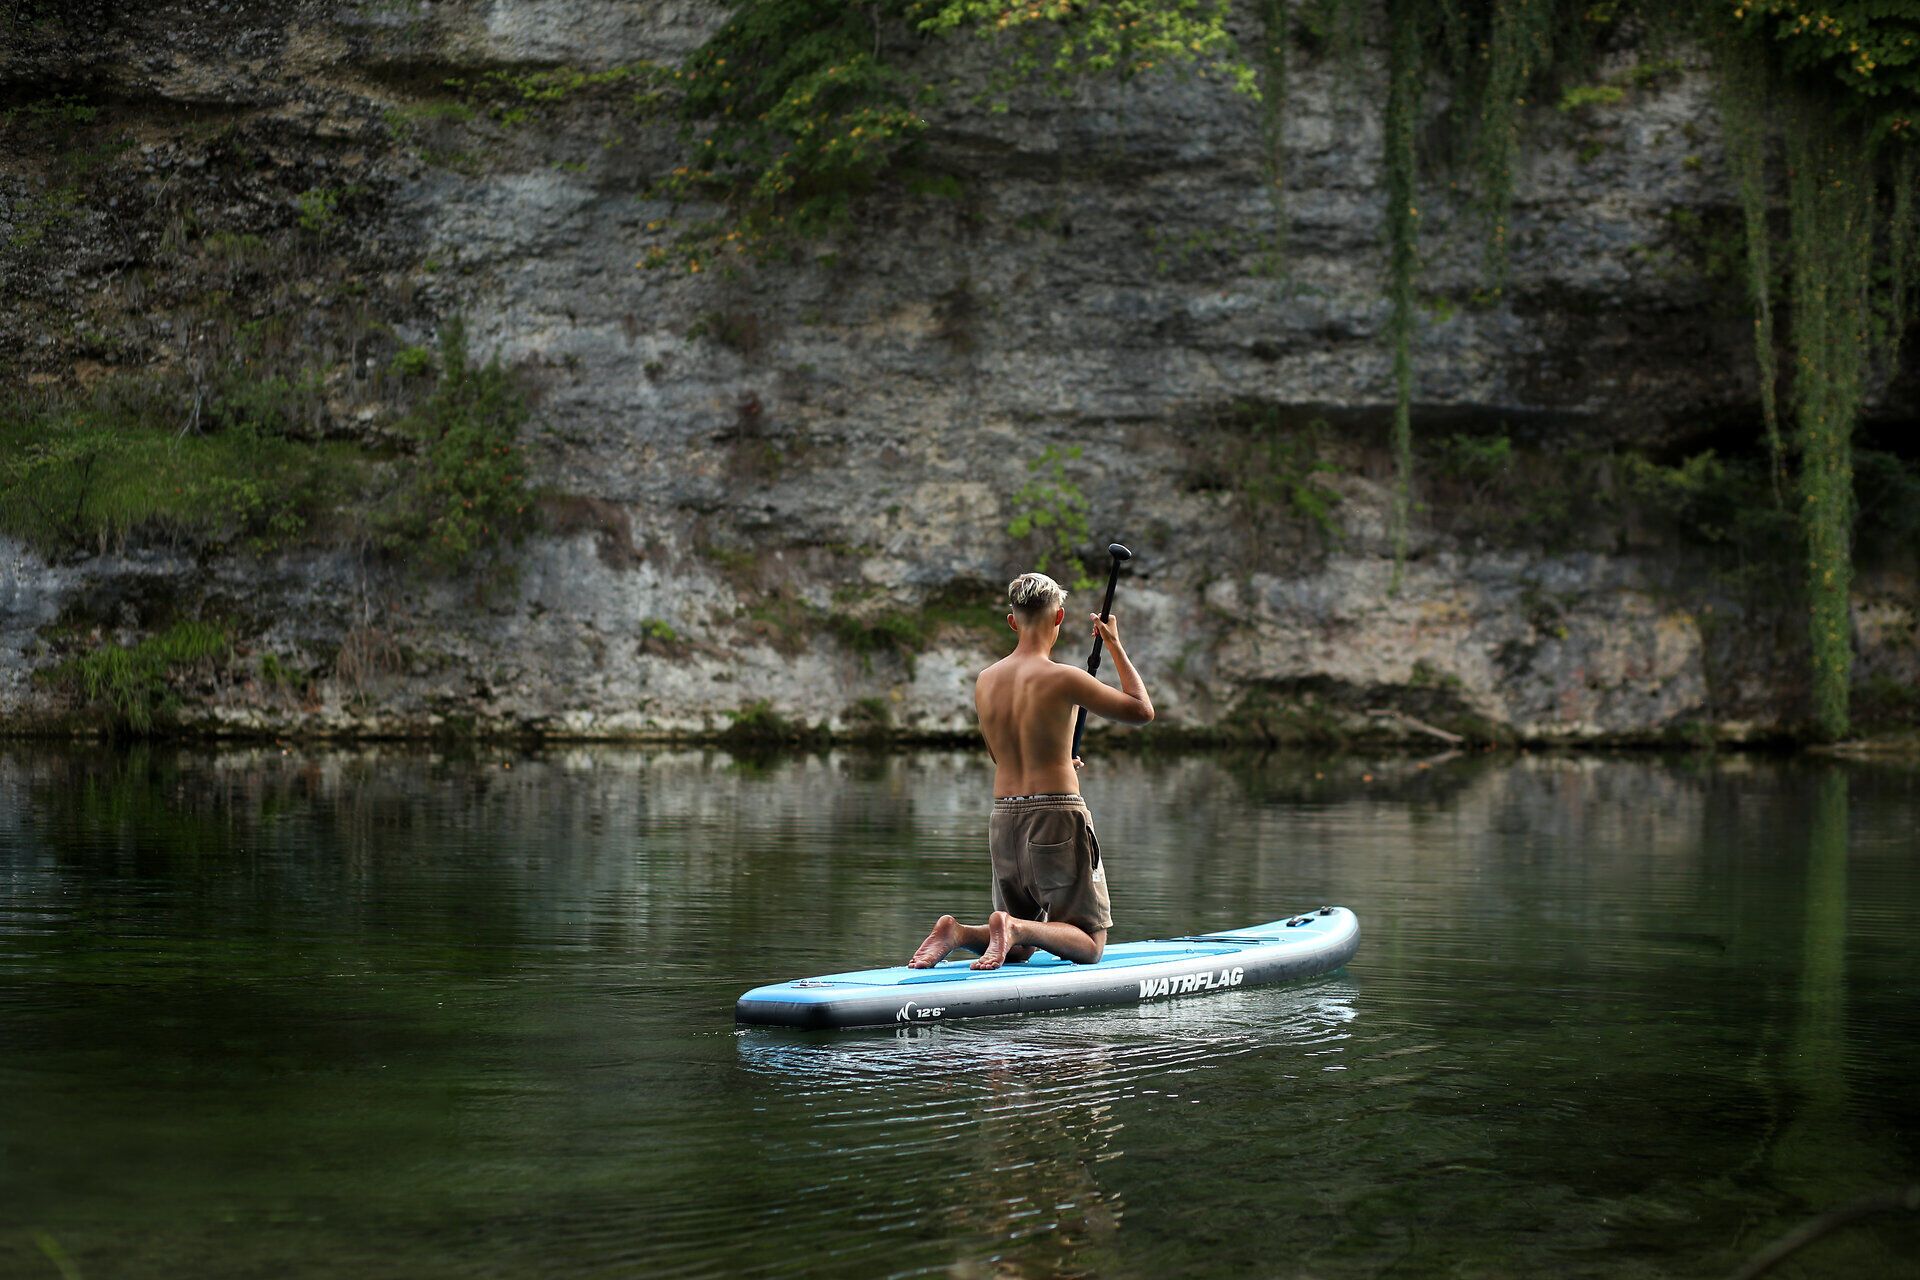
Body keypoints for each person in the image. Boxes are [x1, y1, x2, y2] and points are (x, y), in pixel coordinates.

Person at [908, 571, 1154, 971]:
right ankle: (1014, 928)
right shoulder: (1065, 678)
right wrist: (1114, 645)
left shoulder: (986, 680)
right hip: (1055, 814)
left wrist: (1056, 756)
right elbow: (1141, 711)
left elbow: (999, 754)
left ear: (1012, 621)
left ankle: (960, 933)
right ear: (1059, 618)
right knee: (1089, 944)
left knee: (1017, 949)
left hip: (1005, 816)